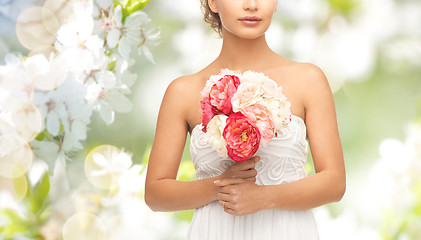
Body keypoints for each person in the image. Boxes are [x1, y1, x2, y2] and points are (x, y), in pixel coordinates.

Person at [144, 0, 346, 239]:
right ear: (213, 3)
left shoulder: (309, 80)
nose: (252, 5)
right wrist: (220, 186)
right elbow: (155, 194)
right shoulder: (183, 91)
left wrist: (264, 197)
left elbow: (334, 182)